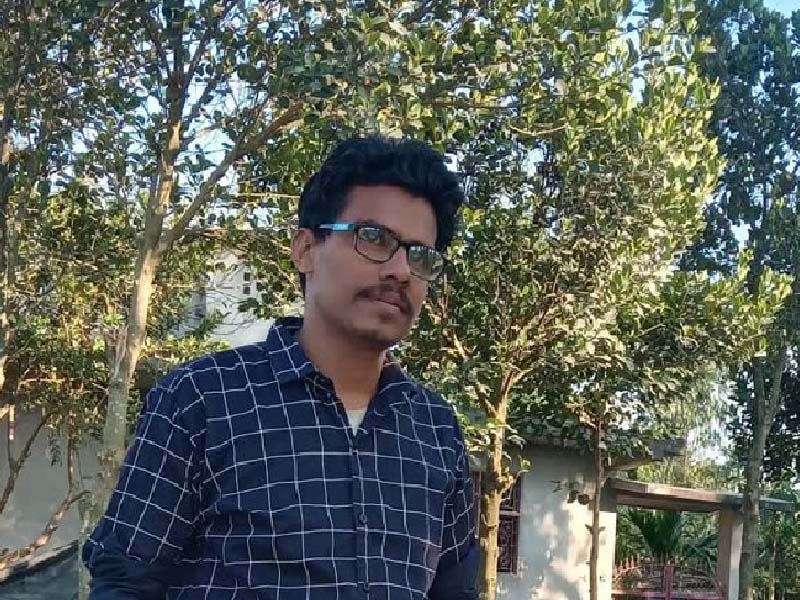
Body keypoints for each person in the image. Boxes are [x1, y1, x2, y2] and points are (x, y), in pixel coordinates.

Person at [83, 135, 479, 599]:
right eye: (374, 238)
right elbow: (125, 582)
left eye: (421, 255)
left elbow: (454, 591)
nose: (400, 271)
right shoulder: (203, 400)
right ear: (306, 249)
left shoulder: (435, 429)